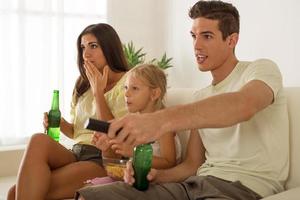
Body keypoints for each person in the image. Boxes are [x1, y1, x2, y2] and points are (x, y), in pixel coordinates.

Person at [76, 0, 289, 199]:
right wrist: (156, 176)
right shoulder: (201, 96)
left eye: (206, 36)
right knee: (92, 195)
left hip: (241, 188)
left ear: (231, 40)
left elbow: (244, 105)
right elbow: (191, 165)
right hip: (194, 184)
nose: (196, 46)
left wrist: (158, 120)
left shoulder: (260, 69)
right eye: (193, 36)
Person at [7, 23, 130, 200]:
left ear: (109, 48)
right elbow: (77, 132)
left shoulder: (127, 83)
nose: (86, 54)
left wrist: (99, 94)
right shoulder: (83, 84)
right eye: (82, 47)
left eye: (93, 46)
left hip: (102, 158)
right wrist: (61, 124)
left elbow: (116, 134)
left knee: (14, 194)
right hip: (76, 153)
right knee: (38, 139)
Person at [87, 64, 181, 184]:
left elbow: (169, 162)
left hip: (157, 183)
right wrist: (105, 149)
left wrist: (134, 153)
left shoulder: (162, 125)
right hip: (133, 179)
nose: (126, 94)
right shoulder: (132, 124)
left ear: (154, 94)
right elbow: (115, 164)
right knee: (89, 187)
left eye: (134, 88)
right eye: (125, 87)